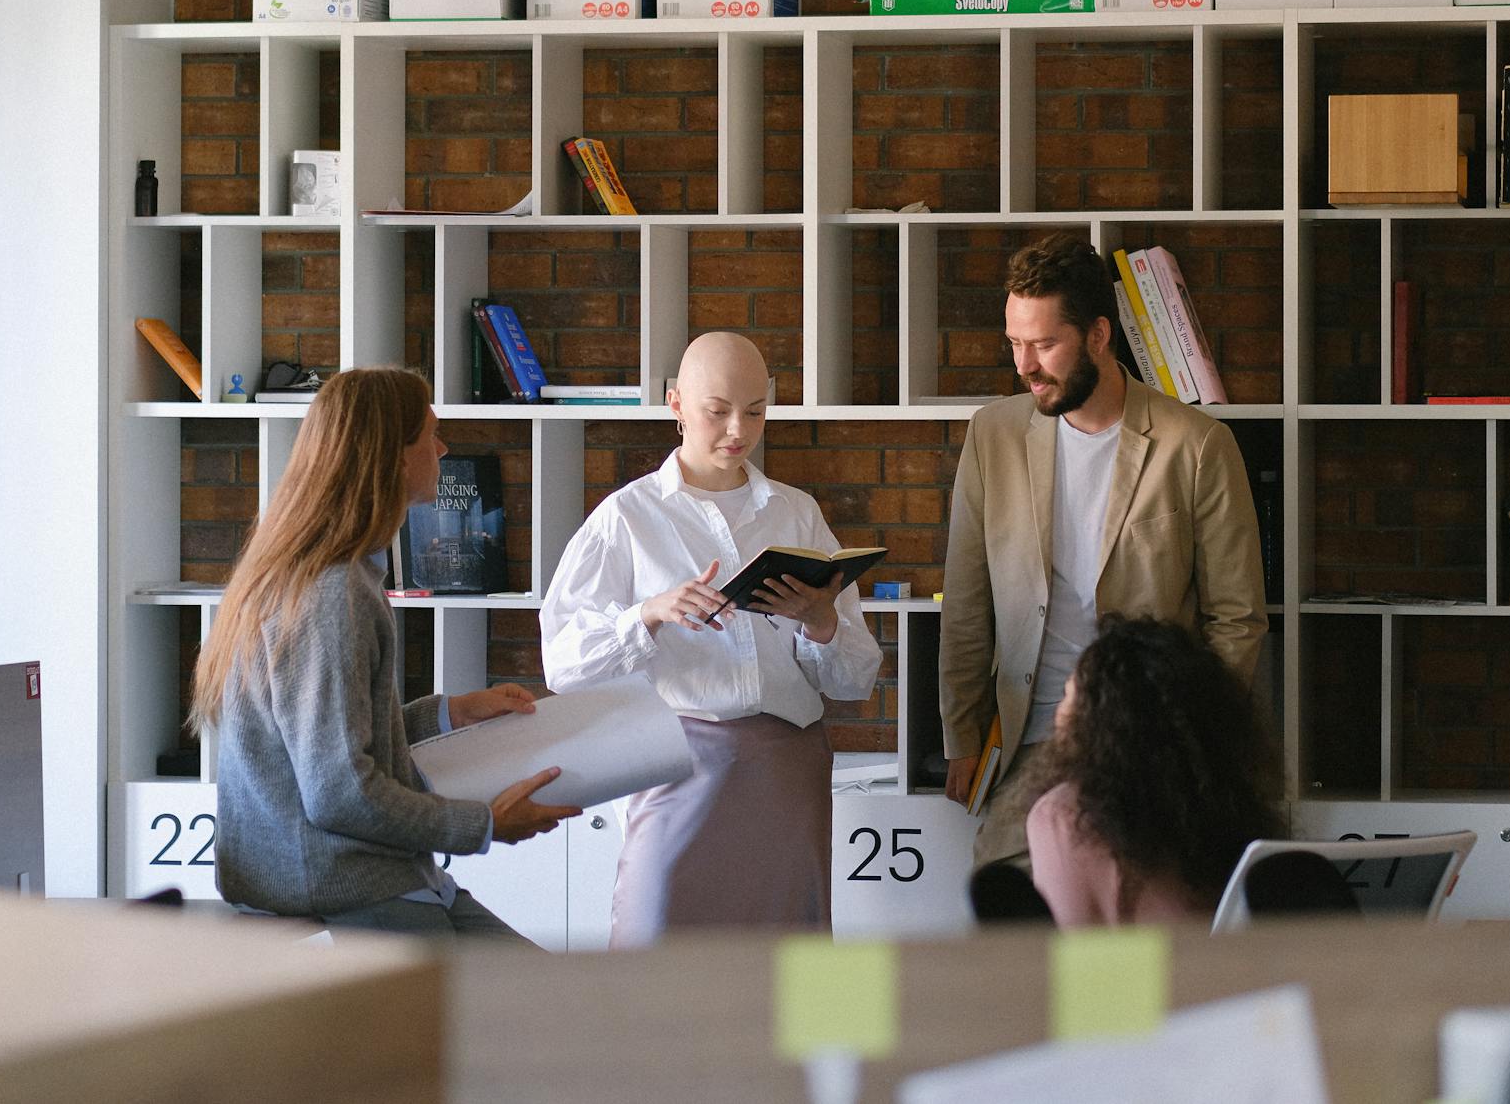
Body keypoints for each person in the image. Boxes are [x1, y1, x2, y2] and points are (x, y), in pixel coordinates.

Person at [190, 366, 579, 939]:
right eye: (431, 434)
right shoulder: (332, 595)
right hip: (349, 892)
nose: (443, 450)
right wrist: (484, 824)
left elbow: (329, 737)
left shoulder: (332, 577)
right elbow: (340, 793)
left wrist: (451, 714)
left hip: (383, 880)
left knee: (565, 994)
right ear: (393, 457)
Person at [541, 332, 884, 947]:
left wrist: (821, 621)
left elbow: (854, 680)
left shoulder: (796, 512)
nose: (738, 430)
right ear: (675, 403)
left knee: (787, 960)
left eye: (755, 411)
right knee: (653, 946)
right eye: (717, 410)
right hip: (674, 764)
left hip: (786, 767)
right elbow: (562, 663)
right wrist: (648, 613)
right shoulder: (627, 517)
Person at [940, 235, 1266, 877]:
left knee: (1135, 912)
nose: (1024, 365)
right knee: (1005, 900)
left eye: (1043, 344)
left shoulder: (1197, 446)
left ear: (1097, 335)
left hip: (1149, 744)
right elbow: (967, 603)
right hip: (1027, 740)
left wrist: (1190, 744)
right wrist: (962, 736)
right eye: (1014, 343)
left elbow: (1237, 619)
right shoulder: (992, 435)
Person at [1015, 615, 1285, 927]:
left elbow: (1070, 945)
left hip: (1134, 962)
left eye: (1068, 696)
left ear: (1098, 720)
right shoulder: (1224, 804)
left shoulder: (1062, 814)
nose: (1059, 712)